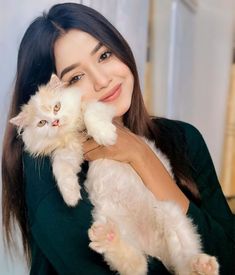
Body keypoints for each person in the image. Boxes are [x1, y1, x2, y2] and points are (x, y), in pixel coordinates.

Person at [1, 3, 234, 275]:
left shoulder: (183, 138)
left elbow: (227, 257)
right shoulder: (47, 167)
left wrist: (142, 157)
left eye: (104, 55)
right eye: (76, 77)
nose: (102, 80)